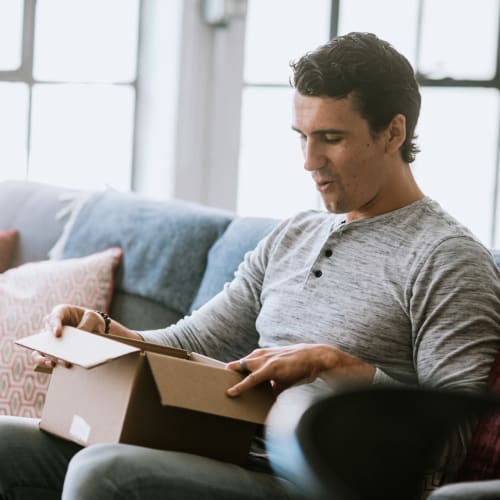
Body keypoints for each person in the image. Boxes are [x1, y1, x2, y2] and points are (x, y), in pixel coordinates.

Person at [1, 31, 499, 500]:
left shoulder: (448, 258)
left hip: (317, 481)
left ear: (393, 132)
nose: (309, 161)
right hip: (230, 448)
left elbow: (450, 438)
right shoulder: (293, 235)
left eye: (330, 137)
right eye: (301, 136)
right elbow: (194, 342)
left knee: (102, 472)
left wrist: (341, 368)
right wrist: (106, 335)